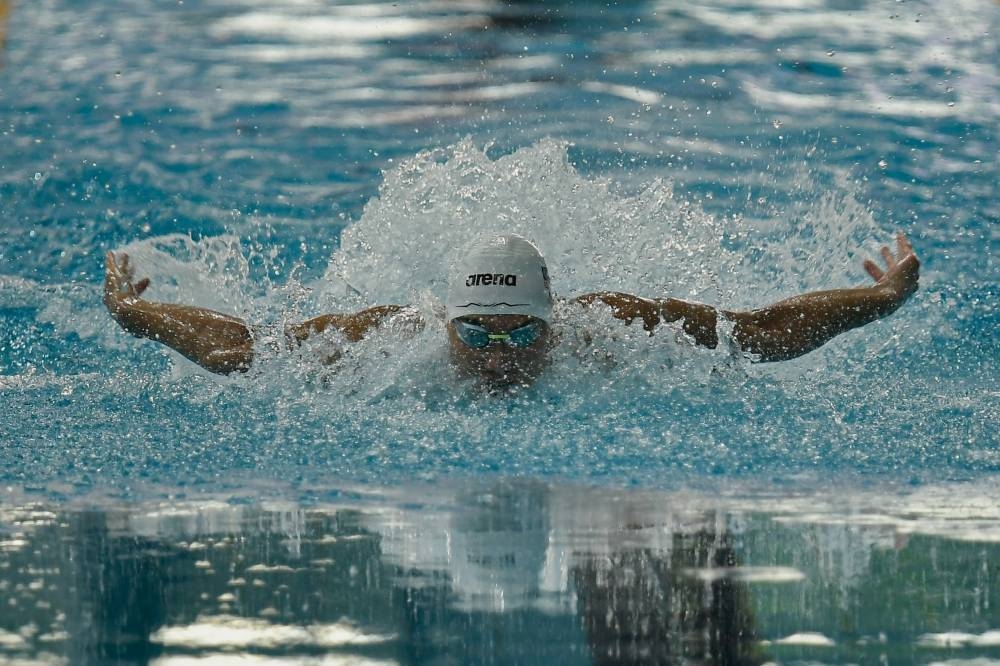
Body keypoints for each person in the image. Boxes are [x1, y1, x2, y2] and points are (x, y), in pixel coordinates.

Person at [103, 233, 919, 386]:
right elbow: (243, 350)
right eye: (478, 332)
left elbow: (761, 333)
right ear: (446, 321)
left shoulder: (616, 328)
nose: (499, 354)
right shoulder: (391, 340)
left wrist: (880, 301)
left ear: (554, 320)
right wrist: (139, 315)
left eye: (521, 329)